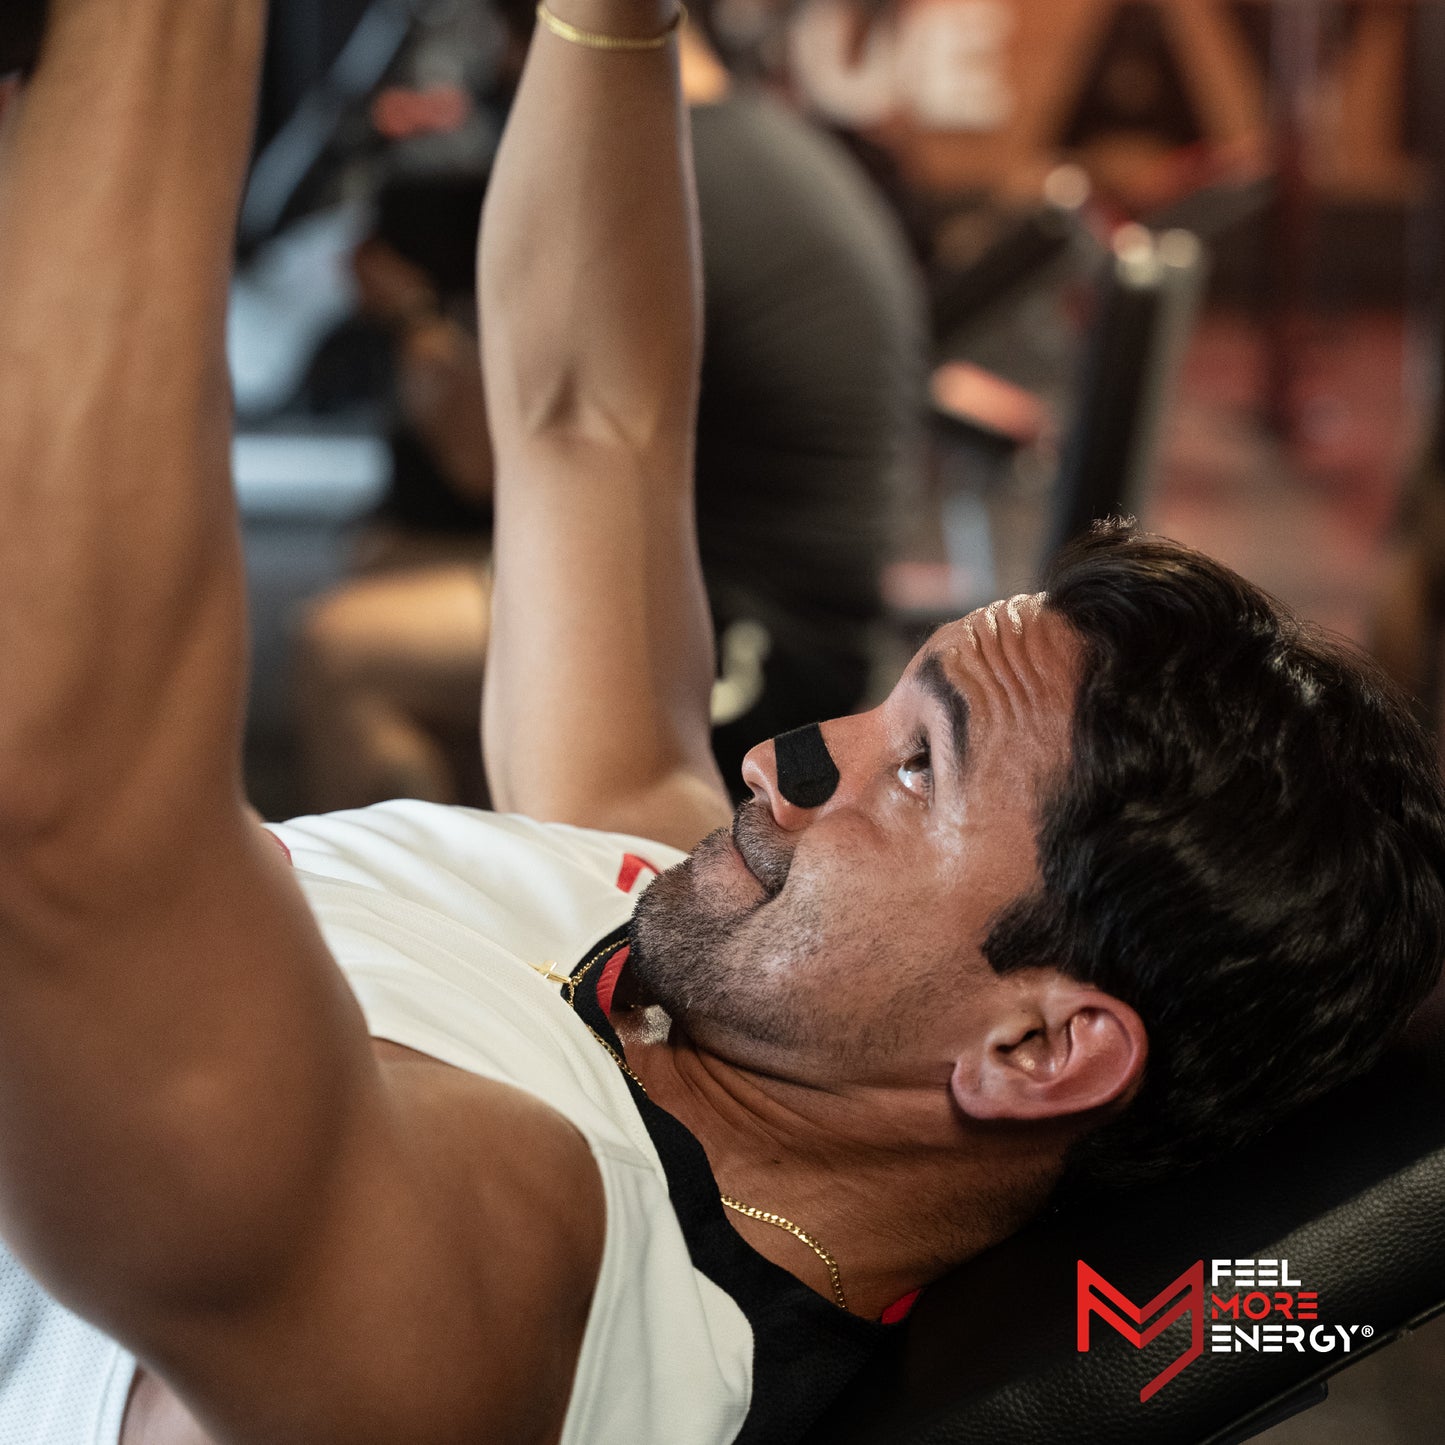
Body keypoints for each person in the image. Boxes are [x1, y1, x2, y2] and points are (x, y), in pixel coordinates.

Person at [0, 5, 1442, 1445]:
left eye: (918, 767)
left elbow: (57, 814)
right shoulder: (670, 920)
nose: (773, 760)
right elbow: (591, 423)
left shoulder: (527, 1277)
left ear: (1034, 1048)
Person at [294, 5, 925, 810]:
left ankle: (429, 923)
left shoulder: (647, 187)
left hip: (766, 646)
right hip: (775, 596)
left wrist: (413, 315)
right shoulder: (740, 141)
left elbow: (485, 458)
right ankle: (495, 861)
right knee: (392, 557)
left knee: (344, 654)